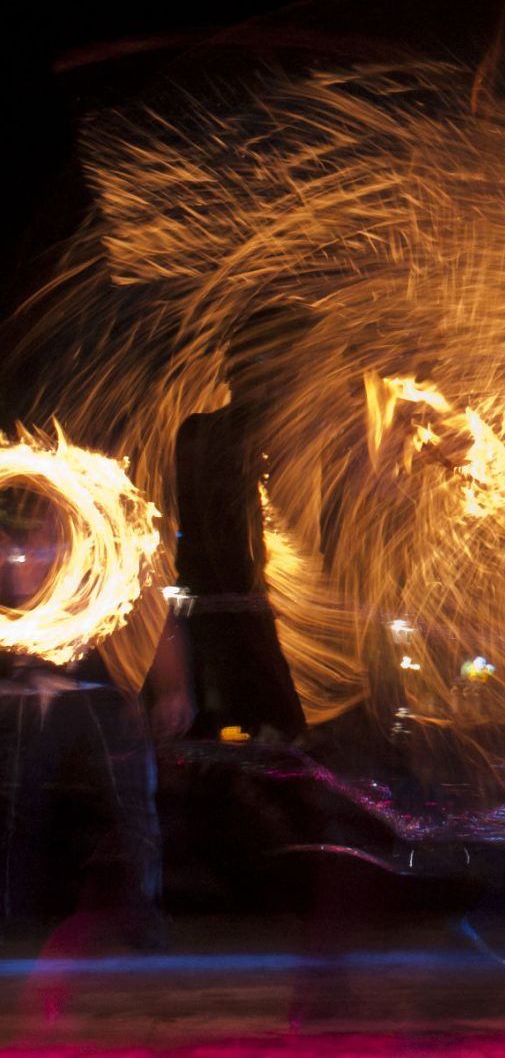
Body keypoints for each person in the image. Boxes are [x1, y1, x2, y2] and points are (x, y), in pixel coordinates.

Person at [1, 486, 191, 946]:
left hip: (101, 696)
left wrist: (174, 689)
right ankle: (8, 916)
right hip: (27, 696)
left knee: (131, 809)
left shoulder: (113, 560)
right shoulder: (16, 553)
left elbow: (156, 621)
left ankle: (141, 915)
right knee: (13, 812)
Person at [173, 307, 310, 743]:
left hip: (232, 629)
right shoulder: (216, 435)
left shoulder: (207, 434)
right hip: (237, 631)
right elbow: (220, 555)